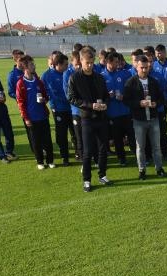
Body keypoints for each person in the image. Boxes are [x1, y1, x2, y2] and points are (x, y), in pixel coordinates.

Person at [68, 49, 112, 192]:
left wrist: (105, 103)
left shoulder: (99, 77)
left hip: (101, 118)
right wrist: (90, 105)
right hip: (86, 118)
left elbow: (106, 95)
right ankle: (86, 180)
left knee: (102, 149)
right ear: (81, 61)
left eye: (92, 63)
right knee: (87, 152)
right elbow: (72, 98)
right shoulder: (74, 78)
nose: (90, 66)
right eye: (88, 63)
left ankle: (102, 174)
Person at [123, 55, 167, 180]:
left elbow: (162, 98)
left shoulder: (153, 81)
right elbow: (126, 101)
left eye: (146, 67)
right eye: (142, 67)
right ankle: (142, 170)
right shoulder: (131, 82)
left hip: (153, 119)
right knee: (140, 147)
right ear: (136, 67)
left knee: (156, 146)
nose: (144, 70)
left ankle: (159, 169)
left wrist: (156, 103)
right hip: (139, 120)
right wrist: (139, 103)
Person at [16, 55, 55, 170]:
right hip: (31, 118)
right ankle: (40, 162)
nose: (34, 66)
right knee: (36, 141)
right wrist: (26, 118)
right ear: (26, 67)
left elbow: (45, 95)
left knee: (47, 140)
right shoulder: (21, 83)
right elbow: (20, 102)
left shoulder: (38, 81)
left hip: (43, 115)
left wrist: (45, 99)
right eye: (32, 64)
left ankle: (50, 160)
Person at [102, 51, 134, 166]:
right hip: (112, 113)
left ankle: (139, 155)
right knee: (117, 139)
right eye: (115, 62)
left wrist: (124, 96)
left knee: (132, 135)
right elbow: (99, 96)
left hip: (125, 111)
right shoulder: (101, 77)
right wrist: (107, 96)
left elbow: (131, 91)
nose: (118, 64)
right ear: (108, 62)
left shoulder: (124, 74)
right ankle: (122, 158)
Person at [42, 52, 73, 166]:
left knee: (74, 132)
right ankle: (65, 156)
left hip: (71, 108)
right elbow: (50, 93)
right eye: (65, 64)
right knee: (61, 134)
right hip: (59, 109)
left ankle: (78, 153)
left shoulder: (68, 73)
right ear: (58, 64)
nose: (67, 66)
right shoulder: (47, 75)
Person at [64, 46, 83, 161]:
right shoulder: (67, 74)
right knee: (78, 136)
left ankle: (91, 155)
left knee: (89, 135)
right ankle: (81, 156)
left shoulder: (84, 72)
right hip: (76, 110)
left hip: (87, 110)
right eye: (77, 63)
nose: (78, 66)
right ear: (72, 62)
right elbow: (68, 95)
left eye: (80, 63)